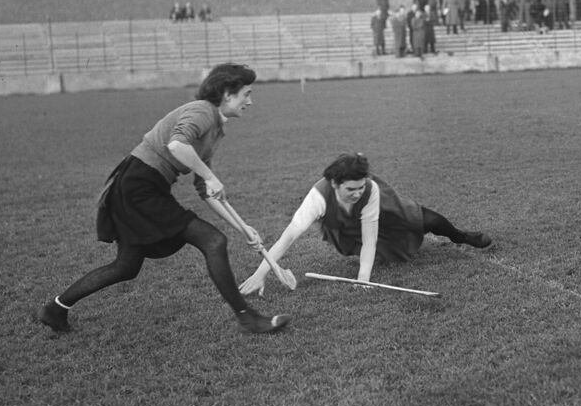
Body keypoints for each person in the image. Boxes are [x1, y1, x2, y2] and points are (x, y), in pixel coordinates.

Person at [38, 63, 290, 335]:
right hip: (139, 185)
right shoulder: (202, 111)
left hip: (143, 186)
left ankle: (55, 309)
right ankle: (247, 317)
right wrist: (209, 175)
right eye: (246, 94)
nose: (250, 101)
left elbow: (205, 189)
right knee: (213, 241)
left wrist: (243, 228)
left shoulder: (215, 128)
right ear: (228, 94)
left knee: (126, 266)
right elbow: (177, 145)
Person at [239, 153, 491, 294]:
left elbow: (370, 237)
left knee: (431, 220)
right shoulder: (317, 198)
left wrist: (363, 278)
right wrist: (260, 274)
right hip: (345, 227)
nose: (357, 192)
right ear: (335, 184)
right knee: (382, 247)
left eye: (361, 186)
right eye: (351, 188)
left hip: (385, 212)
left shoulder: (369, 189)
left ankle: (461, 237)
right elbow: (288, 238)